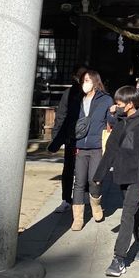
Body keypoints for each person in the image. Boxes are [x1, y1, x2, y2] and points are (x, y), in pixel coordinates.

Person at [94, 86, 139, 277]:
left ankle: (119, 258)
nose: (116, 106)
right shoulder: (121, 124)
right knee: (133, 210)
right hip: (123, 174)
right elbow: (110, 152)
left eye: (119, 104)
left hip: (138, 177)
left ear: (130, 105)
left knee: (126, 215)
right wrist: (99, 175)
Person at [71, 69, 113, 231]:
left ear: (95, 81)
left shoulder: (106, 99)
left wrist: (114, 114)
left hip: (96, 146)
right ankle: (78, 218)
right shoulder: (78, 99)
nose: (85, 83)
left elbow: (111, 121)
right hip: (80, 145)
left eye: (88, 80)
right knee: (79, 182)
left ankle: (96, 204)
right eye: (83, 80)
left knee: (94, 180)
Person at [48, 65, 87, 214]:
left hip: (89, 138)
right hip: (72, 136)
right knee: (69, 169)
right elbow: (61, 115)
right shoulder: (69, 93)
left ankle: (86, 195)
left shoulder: (95, 94)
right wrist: (57, 136)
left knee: (88, 168)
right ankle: (66, 199)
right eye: (80, 75)